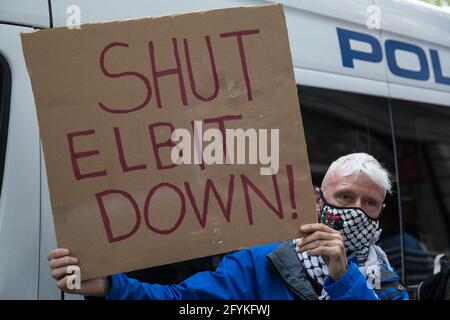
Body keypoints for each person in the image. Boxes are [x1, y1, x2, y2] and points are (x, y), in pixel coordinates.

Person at [48, 152, 409, 300]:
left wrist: (343, 276)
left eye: (370, 203)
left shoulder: (388, 280)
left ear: (380, 213)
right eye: (344, 198)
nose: (356, 211)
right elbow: (184, 301)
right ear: (318, 200)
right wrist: (110, 285)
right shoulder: (264, 261)